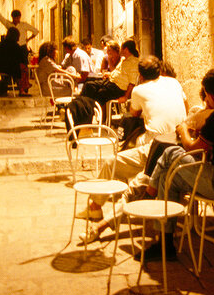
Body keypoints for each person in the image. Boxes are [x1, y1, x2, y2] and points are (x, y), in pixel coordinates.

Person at [133, 68, 214, 261]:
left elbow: (192, 148)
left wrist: (183, 128)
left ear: (210, 95)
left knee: (169, 153)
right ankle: (164, 242)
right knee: (170, 177)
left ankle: (151, 195)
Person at [76, 55, 188, 233]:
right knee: (138, 143)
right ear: (159, 70)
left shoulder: (139, 90)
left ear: (140, 75)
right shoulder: (174, 83)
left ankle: (97, 208)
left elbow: (134, 113)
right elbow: (186, 107)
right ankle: (104, 204)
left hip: (156, 146)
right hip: (179, 142)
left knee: (112, 162)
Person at [0, 27, 29, 96]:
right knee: (24, 69)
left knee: (20, 68)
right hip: (9, 69)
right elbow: (21, 58)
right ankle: (22, 89)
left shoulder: (0, 44)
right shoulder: (16, 46)